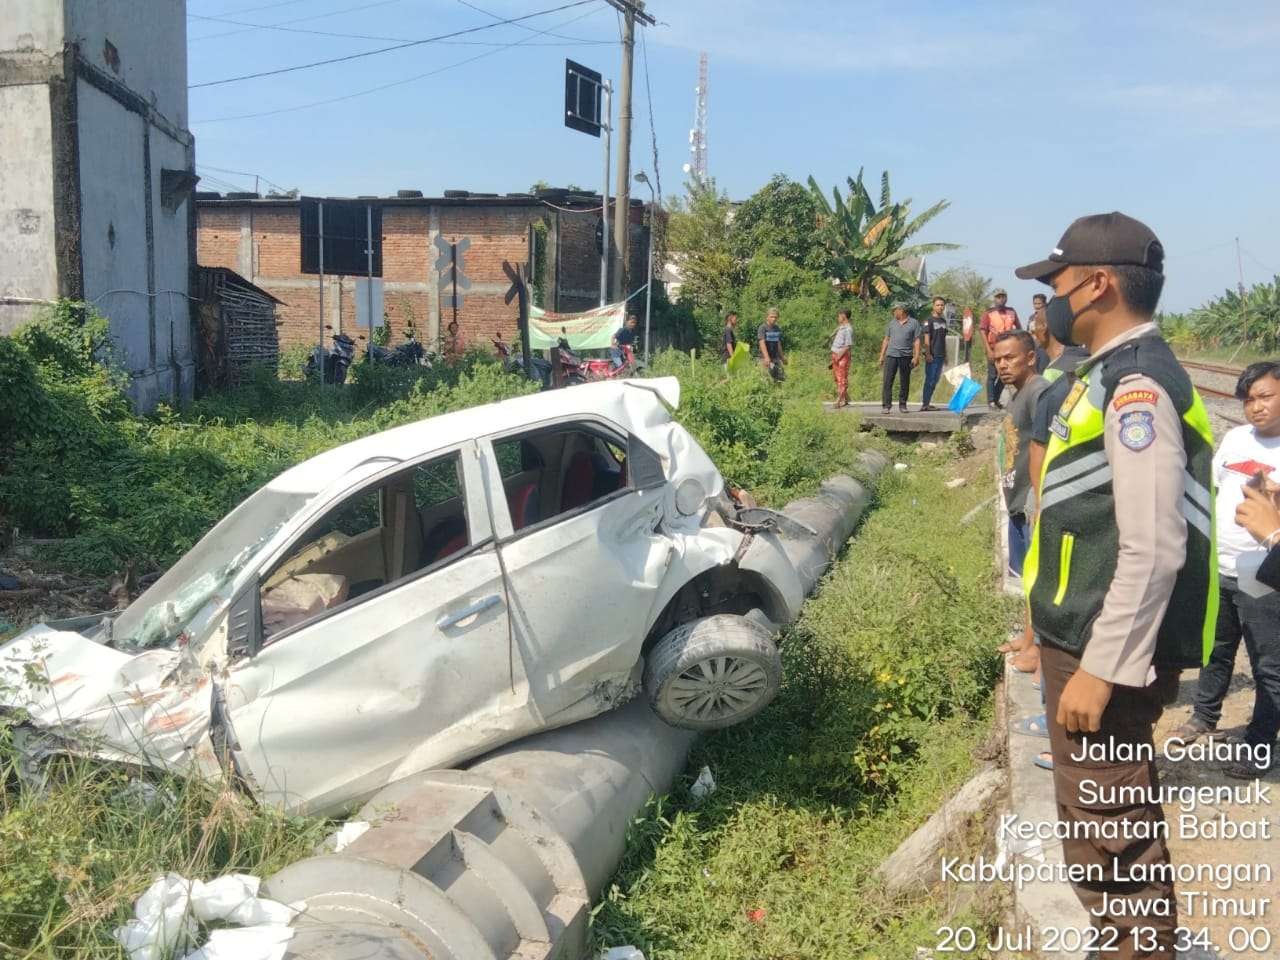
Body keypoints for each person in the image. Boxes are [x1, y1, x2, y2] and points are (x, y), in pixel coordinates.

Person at [1016, 212, 1218, 958]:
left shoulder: (1136, 387)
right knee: (1094, 820)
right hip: (1083, 636)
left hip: (1105, 649)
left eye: (1056, 286)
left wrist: (1101, 669)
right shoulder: (1107, 375)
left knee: (1112, 829)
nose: (1049, 305)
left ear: (1099, 284)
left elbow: (1154, 545)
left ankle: (1134, 947)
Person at [1175, 361, 1280, 778]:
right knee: (1216, 648)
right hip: (1221, 566)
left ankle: (1259, 743)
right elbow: (1214, 488)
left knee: (1268, 663)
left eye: (1265, 397)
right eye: (1248, 399)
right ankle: (1204, 715)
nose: (1255, 407)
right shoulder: (1236, 439)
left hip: (1267, 573)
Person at [992, 330, 1048, 577]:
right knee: (1017, 581)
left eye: (1010, 358)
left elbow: (1047, 446)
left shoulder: (1038, 392)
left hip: (1029, 509)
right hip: (1016, 505)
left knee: (1029, 586)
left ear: (1031, 358)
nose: (1002, 365)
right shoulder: (1017, 393)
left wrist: (1037, 502)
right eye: (997, 360)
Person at [980, 289, 1021, 408]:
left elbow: (1019, 328)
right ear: (994, 298)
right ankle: (991, 401)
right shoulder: (989, 313)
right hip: (994, 348)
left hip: (1008, 349)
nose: (1001, 299)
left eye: (1003, 297)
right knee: (992, 375)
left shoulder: (1011, 312)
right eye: (998, 297)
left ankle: (997, 399)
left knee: (1005, 375)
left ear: (1006, 298)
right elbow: (983, 331)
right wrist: (988, 350)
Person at [878, 302, 920, 413]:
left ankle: (903, 405)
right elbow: (886, 339)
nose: (894, 312)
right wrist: (882, 355)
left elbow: (916, 340)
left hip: (906, 356)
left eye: (895, 310)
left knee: (904, 381)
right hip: (891, 355)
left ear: (902, 310)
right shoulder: (891, 323)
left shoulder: (914, 323)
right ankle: (886, 406)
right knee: (887, 381)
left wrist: (916, 356)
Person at [921, 296, 949, 411]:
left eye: (942, 305)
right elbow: (926, 339)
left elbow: (943, 339)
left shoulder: (943, 321)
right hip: (932, 355)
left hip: (941, 355)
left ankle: (928, 403)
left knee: (935, 380)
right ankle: (925, 404)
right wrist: (928, 354)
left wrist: (946, 355)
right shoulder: (928, 321)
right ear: (933, 306)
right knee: (930, 379)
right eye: (938, 305)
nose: (940, 307)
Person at [830, 308, 853, 407]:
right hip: (835, 354)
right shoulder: (842, 327)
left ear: (843, 316)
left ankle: (838, 401)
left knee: (841, 378)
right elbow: (837, 329)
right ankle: (846, 397)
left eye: (839, 316)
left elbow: (848, 345)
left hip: (842, 356)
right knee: (836, 378)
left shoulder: (848, 329)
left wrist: (839, 356)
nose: (838, 318)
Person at [757, 307, 785, 381]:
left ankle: (780, 392)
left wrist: (782, 357)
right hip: (764, 358)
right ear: (767, 317)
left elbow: (778, 343)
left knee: (781, 378)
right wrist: (766, 357)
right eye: (771, 317)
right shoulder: (762, 328)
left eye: (775, 317)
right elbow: (762, 343)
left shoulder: (777, 328)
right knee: (765, 380)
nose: (774, 319)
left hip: (775, 358)